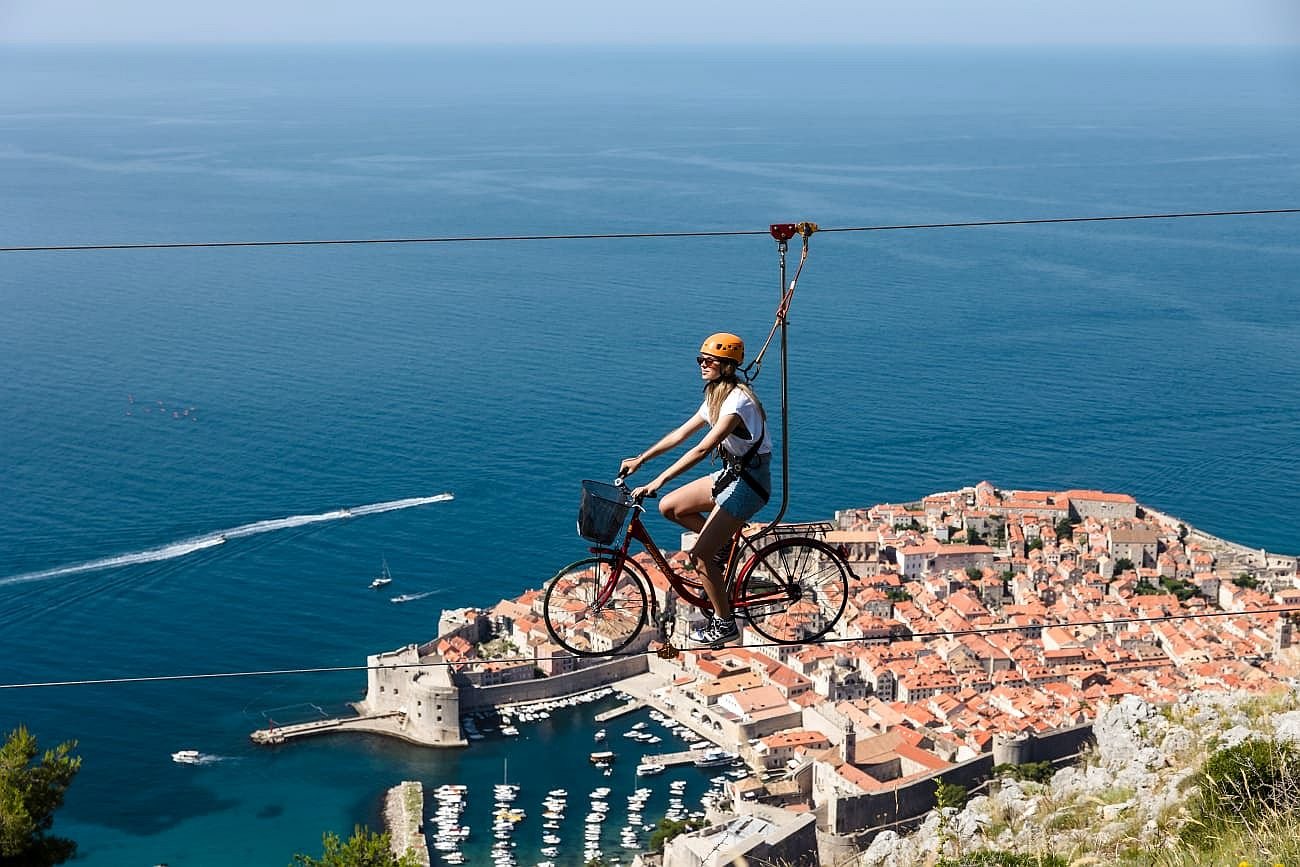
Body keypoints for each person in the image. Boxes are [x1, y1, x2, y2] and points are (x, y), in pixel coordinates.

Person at [619, 332, 772, 645]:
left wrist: (658, 481)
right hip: (733, 474)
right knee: (670, 507)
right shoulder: (716, 397)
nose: (702, 365)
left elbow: (702, 450)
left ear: (727, 367)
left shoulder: (737, 403)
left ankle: (725, 623)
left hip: (749, 484)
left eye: (709, 361)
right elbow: (680, 435)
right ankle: (723, 547)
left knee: (699, 556)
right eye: (700, 359)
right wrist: (642, 459)